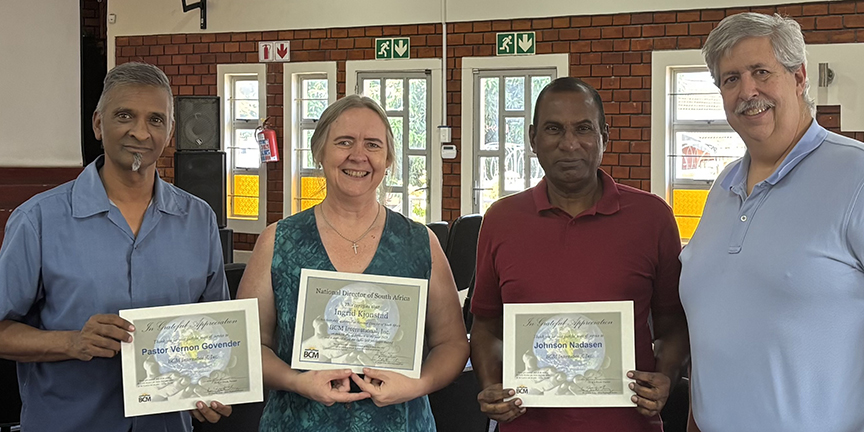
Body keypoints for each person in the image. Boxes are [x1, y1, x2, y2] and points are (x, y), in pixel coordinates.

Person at [0, 62, 232, 432]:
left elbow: (217, 333)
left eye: (156, 120)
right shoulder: (39, 221)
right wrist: (71, 342)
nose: (140, 132)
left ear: (170, 131)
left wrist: (217, 386)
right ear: (97, 124)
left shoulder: (198, 219)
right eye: (125, 115)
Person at [235, 94, 469, 431]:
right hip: (299, 423)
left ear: (388, 159)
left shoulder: (419, 243)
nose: (358, 156)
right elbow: (250, 345)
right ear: (319, 152)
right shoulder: (279, 241)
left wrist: (418, 384)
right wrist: (295, 380)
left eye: (373, 145)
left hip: (399, 423)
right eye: (344, 142)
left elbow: (452, 343)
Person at [470, 77, 690, 431]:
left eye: (583, 128)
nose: (569, 144)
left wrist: (665, 376)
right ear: (533, 139)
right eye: (554, 129)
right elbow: (485, 325)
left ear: (604, 134)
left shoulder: (652, 218)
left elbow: (674, 324)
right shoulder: (501, 220)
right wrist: (490, 384)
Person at [681, 12, 864, 432]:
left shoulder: (855, 175)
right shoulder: (722, 189)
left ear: (799, 77)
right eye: (730, 79)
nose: (748, 91)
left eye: (761, 72)